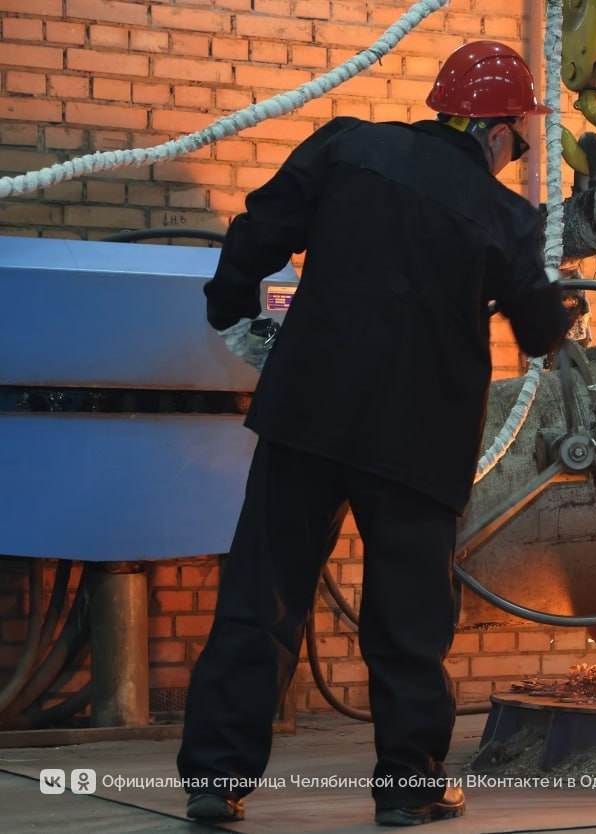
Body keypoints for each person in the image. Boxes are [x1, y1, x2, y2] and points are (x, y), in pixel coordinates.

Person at [177, 41, 574, 827]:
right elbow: (537, 332)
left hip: (309, 414)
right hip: (418, 440)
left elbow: (260, 229)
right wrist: (561, 313)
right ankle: (410, 788)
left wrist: (230, 306)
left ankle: (216, 782)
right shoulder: (505, 217)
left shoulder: (349, 145)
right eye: (517, 140)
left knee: (263, 596)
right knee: (408, 619)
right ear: (497, 132)